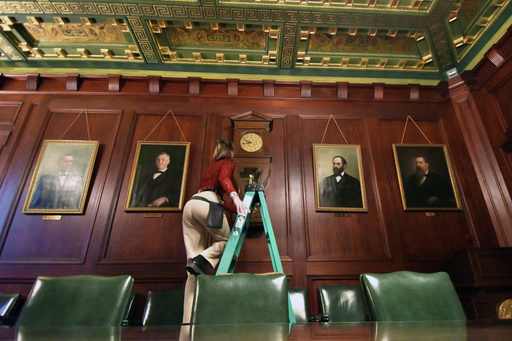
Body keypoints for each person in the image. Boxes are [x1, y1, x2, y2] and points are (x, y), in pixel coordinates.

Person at [181, 138, 249, 324]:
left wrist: (238, 208)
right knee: (227, 242)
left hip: (192, 204)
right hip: (209, 205)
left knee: (193, 271)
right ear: (231, 151)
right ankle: (202, 260)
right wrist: (236, 198)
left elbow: (218, 201)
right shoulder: (228, 162)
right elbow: (223, 180)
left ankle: (187, 323)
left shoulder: (211, 167)